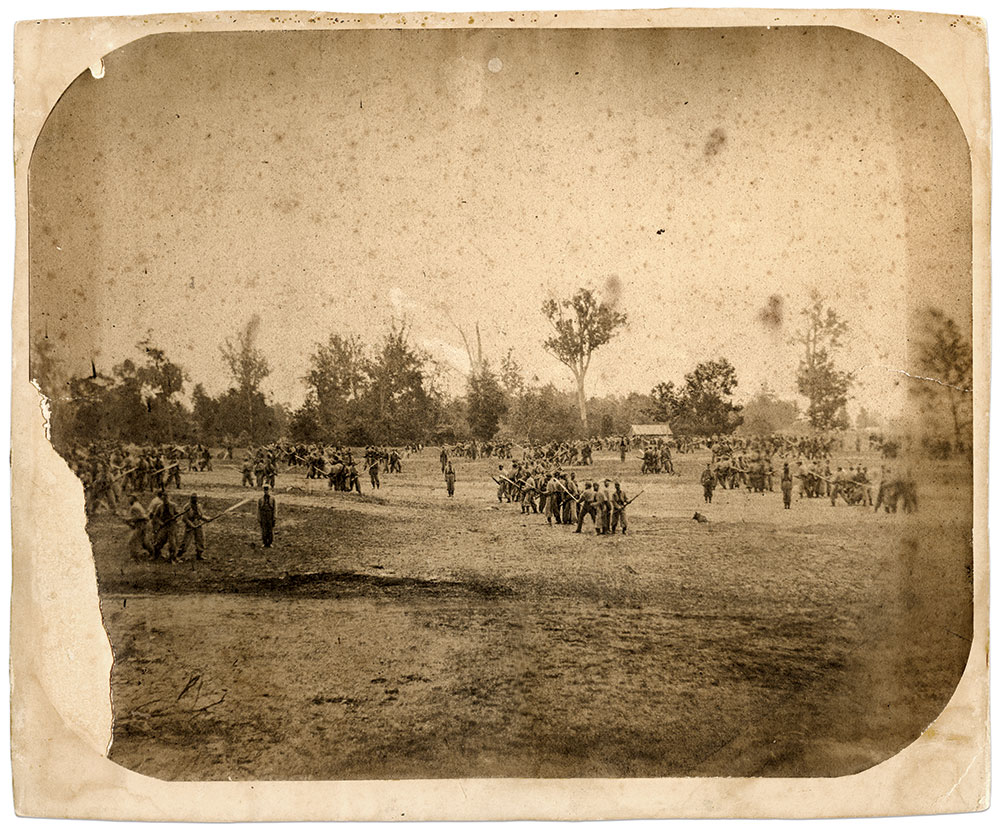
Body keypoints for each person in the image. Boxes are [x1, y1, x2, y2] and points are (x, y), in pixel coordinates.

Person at [147, 488, 180, 561]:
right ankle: (156, 555)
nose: (164, 500)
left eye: (166, 498)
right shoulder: (160, 507)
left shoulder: (173, 505)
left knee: (172, 543)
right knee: (159, 541)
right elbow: (155, 517)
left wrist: (175, 518)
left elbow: (178, 514)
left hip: (172, 526)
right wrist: (160, 523)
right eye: (163, 499)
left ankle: (173, 557)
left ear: (168, 498)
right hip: (164, 526)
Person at [179, 493, 208, 561]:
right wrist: (191, 525)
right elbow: (184, 518)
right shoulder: (187, 507)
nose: (194, 499)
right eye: (193, 498)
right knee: (186, 541)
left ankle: (199, 555)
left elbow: (201, 516)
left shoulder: (199, 506)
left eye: (195, 498)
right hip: (190, 525)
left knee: (200, 540)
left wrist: (207, 519)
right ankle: (179, 555)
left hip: (198, 524)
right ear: (190, 499)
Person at [125, 493, 152, 561]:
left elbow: (139, 517)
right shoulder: (137, 505)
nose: (128, 500)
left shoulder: (135, 507)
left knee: (133, 541)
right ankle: (151, 553)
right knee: (143, 541)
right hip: (143, 525)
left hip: (141, 525)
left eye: (130, 498)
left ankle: (135, 557)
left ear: (133, 499)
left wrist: (129, 520)